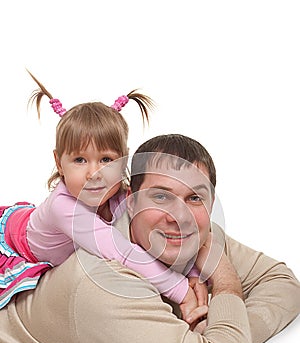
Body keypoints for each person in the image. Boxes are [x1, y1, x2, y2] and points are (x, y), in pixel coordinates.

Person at [0, 132, 299, 343]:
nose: (179, 216)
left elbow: (283, 284)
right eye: (160, 196)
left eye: (195, 198)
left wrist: (220, 327)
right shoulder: (103, 284)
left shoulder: (185, 232)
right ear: (131, 201)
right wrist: (223, 290)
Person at [0, 71, 206, 323]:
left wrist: (194, 274)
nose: (94, 173)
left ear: (123, 160)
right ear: (59, 162)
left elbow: (154, 234)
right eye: (79, 160)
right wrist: (182, 291)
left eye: (106, 160)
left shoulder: (122, 195)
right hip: (15, 240)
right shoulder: (63, 208)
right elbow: (122, 252)